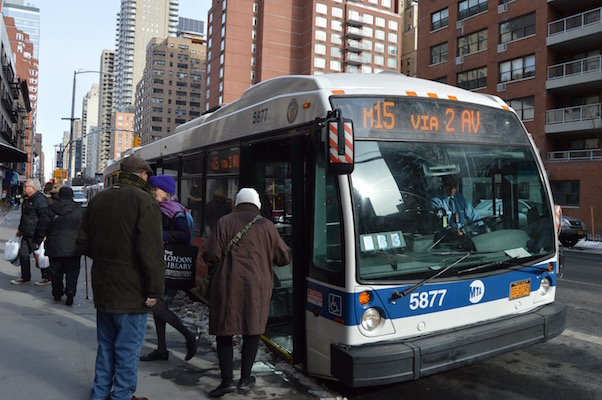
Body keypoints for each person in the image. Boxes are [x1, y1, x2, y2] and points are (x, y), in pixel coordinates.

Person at [76, 155, 165, 400]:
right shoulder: (144, 201)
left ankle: (100, 393)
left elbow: (82, 242)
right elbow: (151, 252)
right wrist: (155, 291)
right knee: (127, 349)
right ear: (143, 175)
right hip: (132, 292)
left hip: (104, 288)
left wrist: (107, 258)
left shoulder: (99, 199)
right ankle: (122, 396)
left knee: (106, 346)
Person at [203, 188, 290, 398]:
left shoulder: (224, 222)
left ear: (238, 202)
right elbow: (283, 258)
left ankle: (226, 382)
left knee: (225, 332)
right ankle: (244, 379)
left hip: (226, 285)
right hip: (257, 288)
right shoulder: (267, 226)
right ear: (257, 204)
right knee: (252, 331)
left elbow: (211, 254)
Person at [140, 174, 200, 362]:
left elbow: (182, 235)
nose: (153, 193)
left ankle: (189, 335)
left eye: (156, 189)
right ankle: (162, 349)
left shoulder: (174, 211)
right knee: (159, 306)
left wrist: (159, 234)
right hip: (163, 264)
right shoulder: (167, 208)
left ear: (166, 192)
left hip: (169, 266)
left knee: (156, 306)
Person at [42, 186, 84, 305]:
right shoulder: (79, 210)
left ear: (59, 196)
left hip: (54, 246)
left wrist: (37, 239)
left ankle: (57, 293)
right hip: (73, 247)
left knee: (55, 272)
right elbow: (87, 227)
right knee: (72, 271)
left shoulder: (51, 209)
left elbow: (42, 225)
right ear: (72, 196)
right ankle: (70, 290)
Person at [11, 178, 52, 285]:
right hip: (26, 232)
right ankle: (25, 277)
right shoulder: (26, 199)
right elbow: (24, 216)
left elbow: (44, 217)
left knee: (39, 256)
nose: (24, 188)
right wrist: (20, 230)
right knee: (23, 255)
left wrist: (44, 233)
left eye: (26, 186)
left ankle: (47, 277)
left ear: (33, 188)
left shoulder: (40, 200)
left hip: (35, 234)